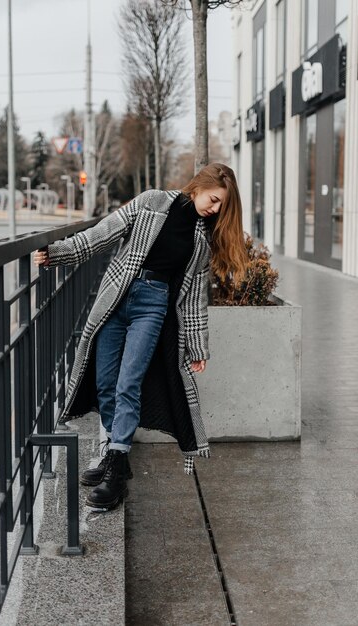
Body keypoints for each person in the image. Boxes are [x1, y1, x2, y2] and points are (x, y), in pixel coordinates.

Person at [34, 163, 248, 513]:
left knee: (128, 382)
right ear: (198, 186)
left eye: (220, 206)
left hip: (153, 305)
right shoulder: (151, 202)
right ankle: (112, 457)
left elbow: (194, 298)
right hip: (117, 297)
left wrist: (197, 345)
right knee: (105, 382)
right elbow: (101, 234)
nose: (214, 209)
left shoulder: (200, 241)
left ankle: (117, 465)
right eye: (213, 200)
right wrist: (58, 253)